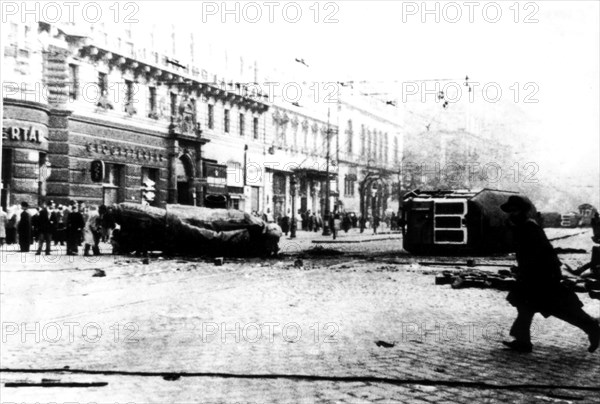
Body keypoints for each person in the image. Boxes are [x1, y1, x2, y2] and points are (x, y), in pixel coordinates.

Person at [501, 195, 600, 353]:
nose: (512, 214)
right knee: (524, 306)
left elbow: (540, 254)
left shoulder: (529, 227)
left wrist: (530, 271)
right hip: (532, 274)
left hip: (542, 275)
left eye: (515, 211)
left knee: (559, 307)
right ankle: (522, 341)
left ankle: (592, 326)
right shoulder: (522, 227)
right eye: (510, 211)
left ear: (523, 211)